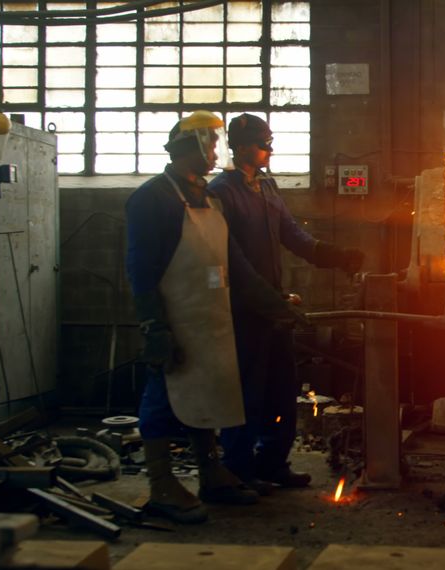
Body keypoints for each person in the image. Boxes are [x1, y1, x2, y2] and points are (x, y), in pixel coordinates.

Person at [125, 111, 304, 522]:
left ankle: (211, 474)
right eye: (209, 144)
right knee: (161, 399)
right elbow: (141, 269)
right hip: (174, 320)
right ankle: (162, 486)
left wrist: (278, 306)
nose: (214, 152)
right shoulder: (152, 198)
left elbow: (235, 264)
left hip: (209, 318)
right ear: (188, 147)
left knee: (203, 394)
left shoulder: (204, 195)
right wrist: (153, 326)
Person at [209, 113, 363, 491]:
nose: (269, 150)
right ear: (242, 146)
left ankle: (272, 462)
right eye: (263, 143)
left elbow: (292, 234)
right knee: (247, 391)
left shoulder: (267, 187)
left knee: (281, 386)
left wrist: (334, 254)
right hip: (244, 309)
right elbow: (232, 259)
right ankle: (240, 469)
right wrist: (264, 298)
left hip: (273, 306)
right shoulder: (222, 192)